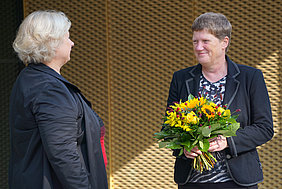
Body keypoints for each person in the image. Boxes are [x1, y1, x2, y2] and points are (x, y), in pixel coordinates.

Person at [166, 12, 274, 189]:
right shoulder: (181, 78)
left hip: (237, 182)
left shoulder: (251, 77)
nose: (198, 47)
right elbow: (168, 128)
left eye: (205, 41)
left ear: (224, 42)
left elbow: (264, 128)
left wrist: (227, 141)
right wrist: (184, 148)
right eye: (195, 41)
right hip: (192, 182)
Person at [9, 10, 108, 189]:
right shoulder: (49, 89)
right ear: (51, 42)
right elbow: (63, 153)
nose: (72, 43)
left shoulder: (31, 78)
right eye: (67, 37)